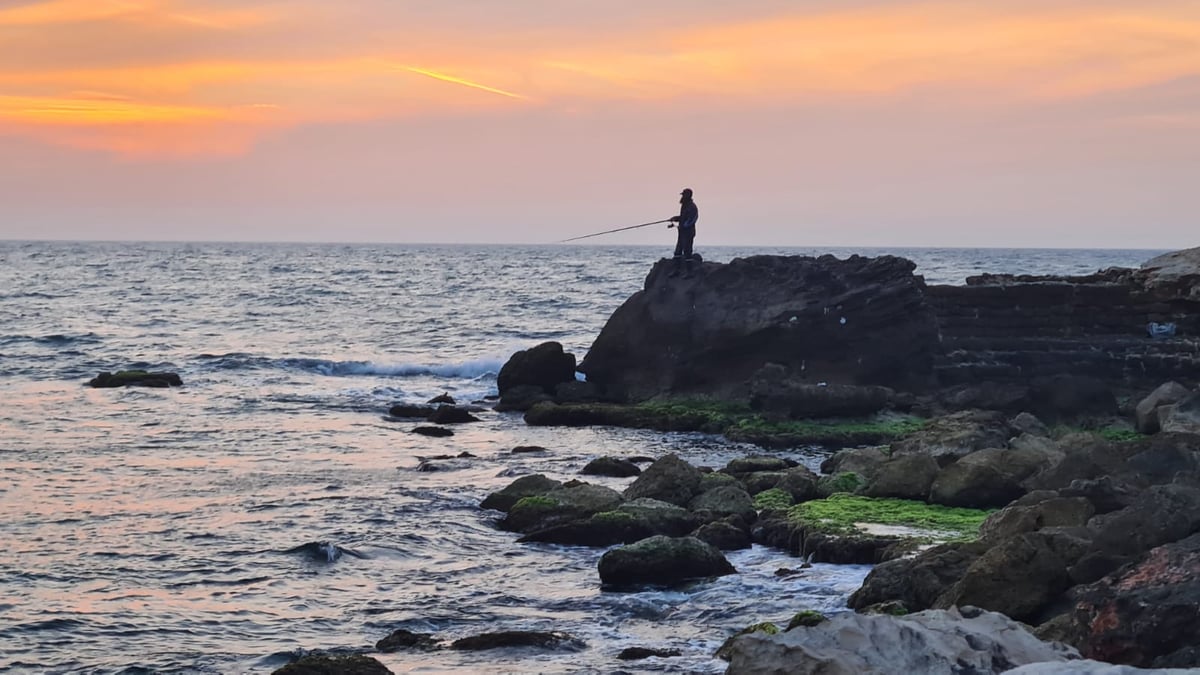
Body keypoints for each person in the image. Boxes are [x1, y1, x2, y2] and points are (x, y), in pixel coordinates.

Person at [668, 188, 699, 277]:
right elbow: (682, 217)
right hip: (681, 233)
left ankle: (690, 272)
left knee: (687, 252)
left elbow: (694, 218)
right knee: (677, 252)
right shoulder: (684, 206)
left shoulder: (692, 206)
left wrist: (685, 226)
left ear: (688, 195)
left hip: (688, 233)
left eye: (683, 195)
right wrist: (675, 218)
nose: (682, 197)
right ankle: (676, 271)